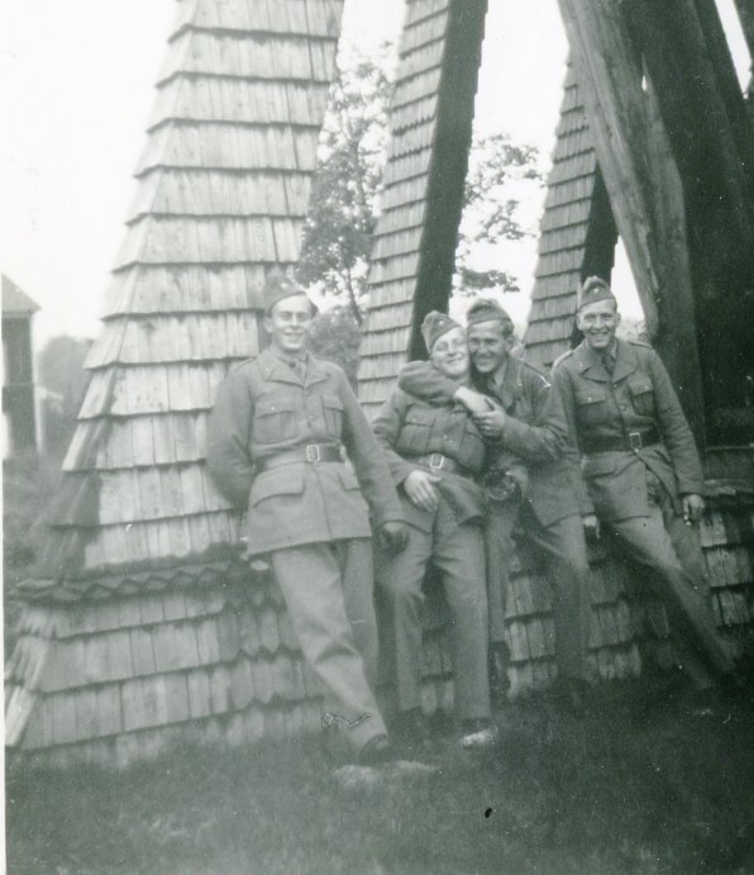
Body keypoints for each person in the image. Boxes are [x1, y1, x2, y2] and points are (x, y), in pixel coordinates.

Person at [206, 277, 408, 765]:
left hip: (344, 508)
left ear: (310, 322)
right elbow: (224, 457)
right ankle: (366, 737)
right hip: (288, 518)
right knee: (325, 629)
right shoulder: (247, 379)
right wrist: (265, 500)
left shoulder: (332, 377)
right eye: (285, 316)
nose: (294, 325)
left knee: (362, 628)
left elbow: (365, 448)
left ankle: (345, 727)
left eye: (302, 316)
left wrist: (388, 512)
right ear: (268, 324)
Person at [398, 298, 595, 714]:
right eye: (475, 342)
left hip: (547, 490)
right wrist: (461, 394)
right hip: (500, 493)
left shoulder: (536, 381)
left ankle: (573, 678)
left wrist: (508, 428)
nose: (481, 351)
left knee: (575, 567)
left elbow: (558, 442)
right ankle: (495, 664)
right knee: (489, 560)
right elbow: (414, 374)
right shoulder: (470, 382)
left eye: (491, 342)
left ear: (510, 342)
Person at [547, 276, 739, 698]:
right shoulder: (566, 372)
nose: (598, 325)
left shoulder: (645, 358)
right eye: (589, 318)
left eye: (605, 316)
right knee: (666, 566)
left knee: (692, 570)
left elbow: (675, 425)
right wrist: (584, 507)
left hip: (661, 474)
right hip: (614, 486)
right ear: (578, 322)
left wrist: (691, 486)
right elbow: (565, 450)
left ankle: (703, 683)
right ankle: (727, 671)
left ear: (616, 318)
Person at [371, 312, 497, 749]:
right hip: (412, 501)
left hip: (460, 505)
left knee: (469, 594)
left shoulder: (489, 394)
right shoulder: (406, 393)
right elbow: (374, 443)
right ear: (432, 357)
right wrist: (406, 475)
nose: (452, 350)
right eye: (442, 346)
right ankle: (407, 711)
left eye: (458, 342)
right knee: (401, 588)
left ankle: (475, 714)